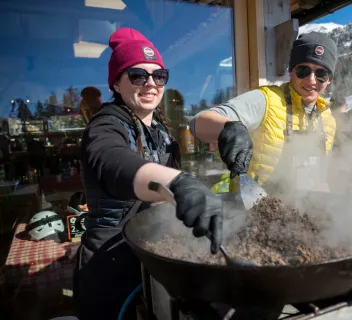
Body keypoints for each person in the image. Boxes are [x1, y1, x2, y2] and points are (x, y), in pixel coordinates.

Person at [74, 28, 223, 320]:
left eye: (159, 76)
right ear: (116, 83)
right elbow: (113, 162)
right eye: (138, 75)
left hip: (154, 260)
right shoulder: (105, 126)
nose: (151, 84)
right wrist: (176, 182)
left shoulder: (161, 132)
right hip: (110, 269)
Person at [190, 32, 337, 196]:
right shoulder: (266, 100)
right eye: (303, 70)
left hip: (304, 216)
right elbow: (198, 123)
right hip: (257, 212)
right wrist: (230, 128)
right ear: (291, 70)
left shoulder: (328, 120)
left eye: (321, 74)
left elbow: (319, 178)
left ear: (329, 79)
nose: (311, 80)